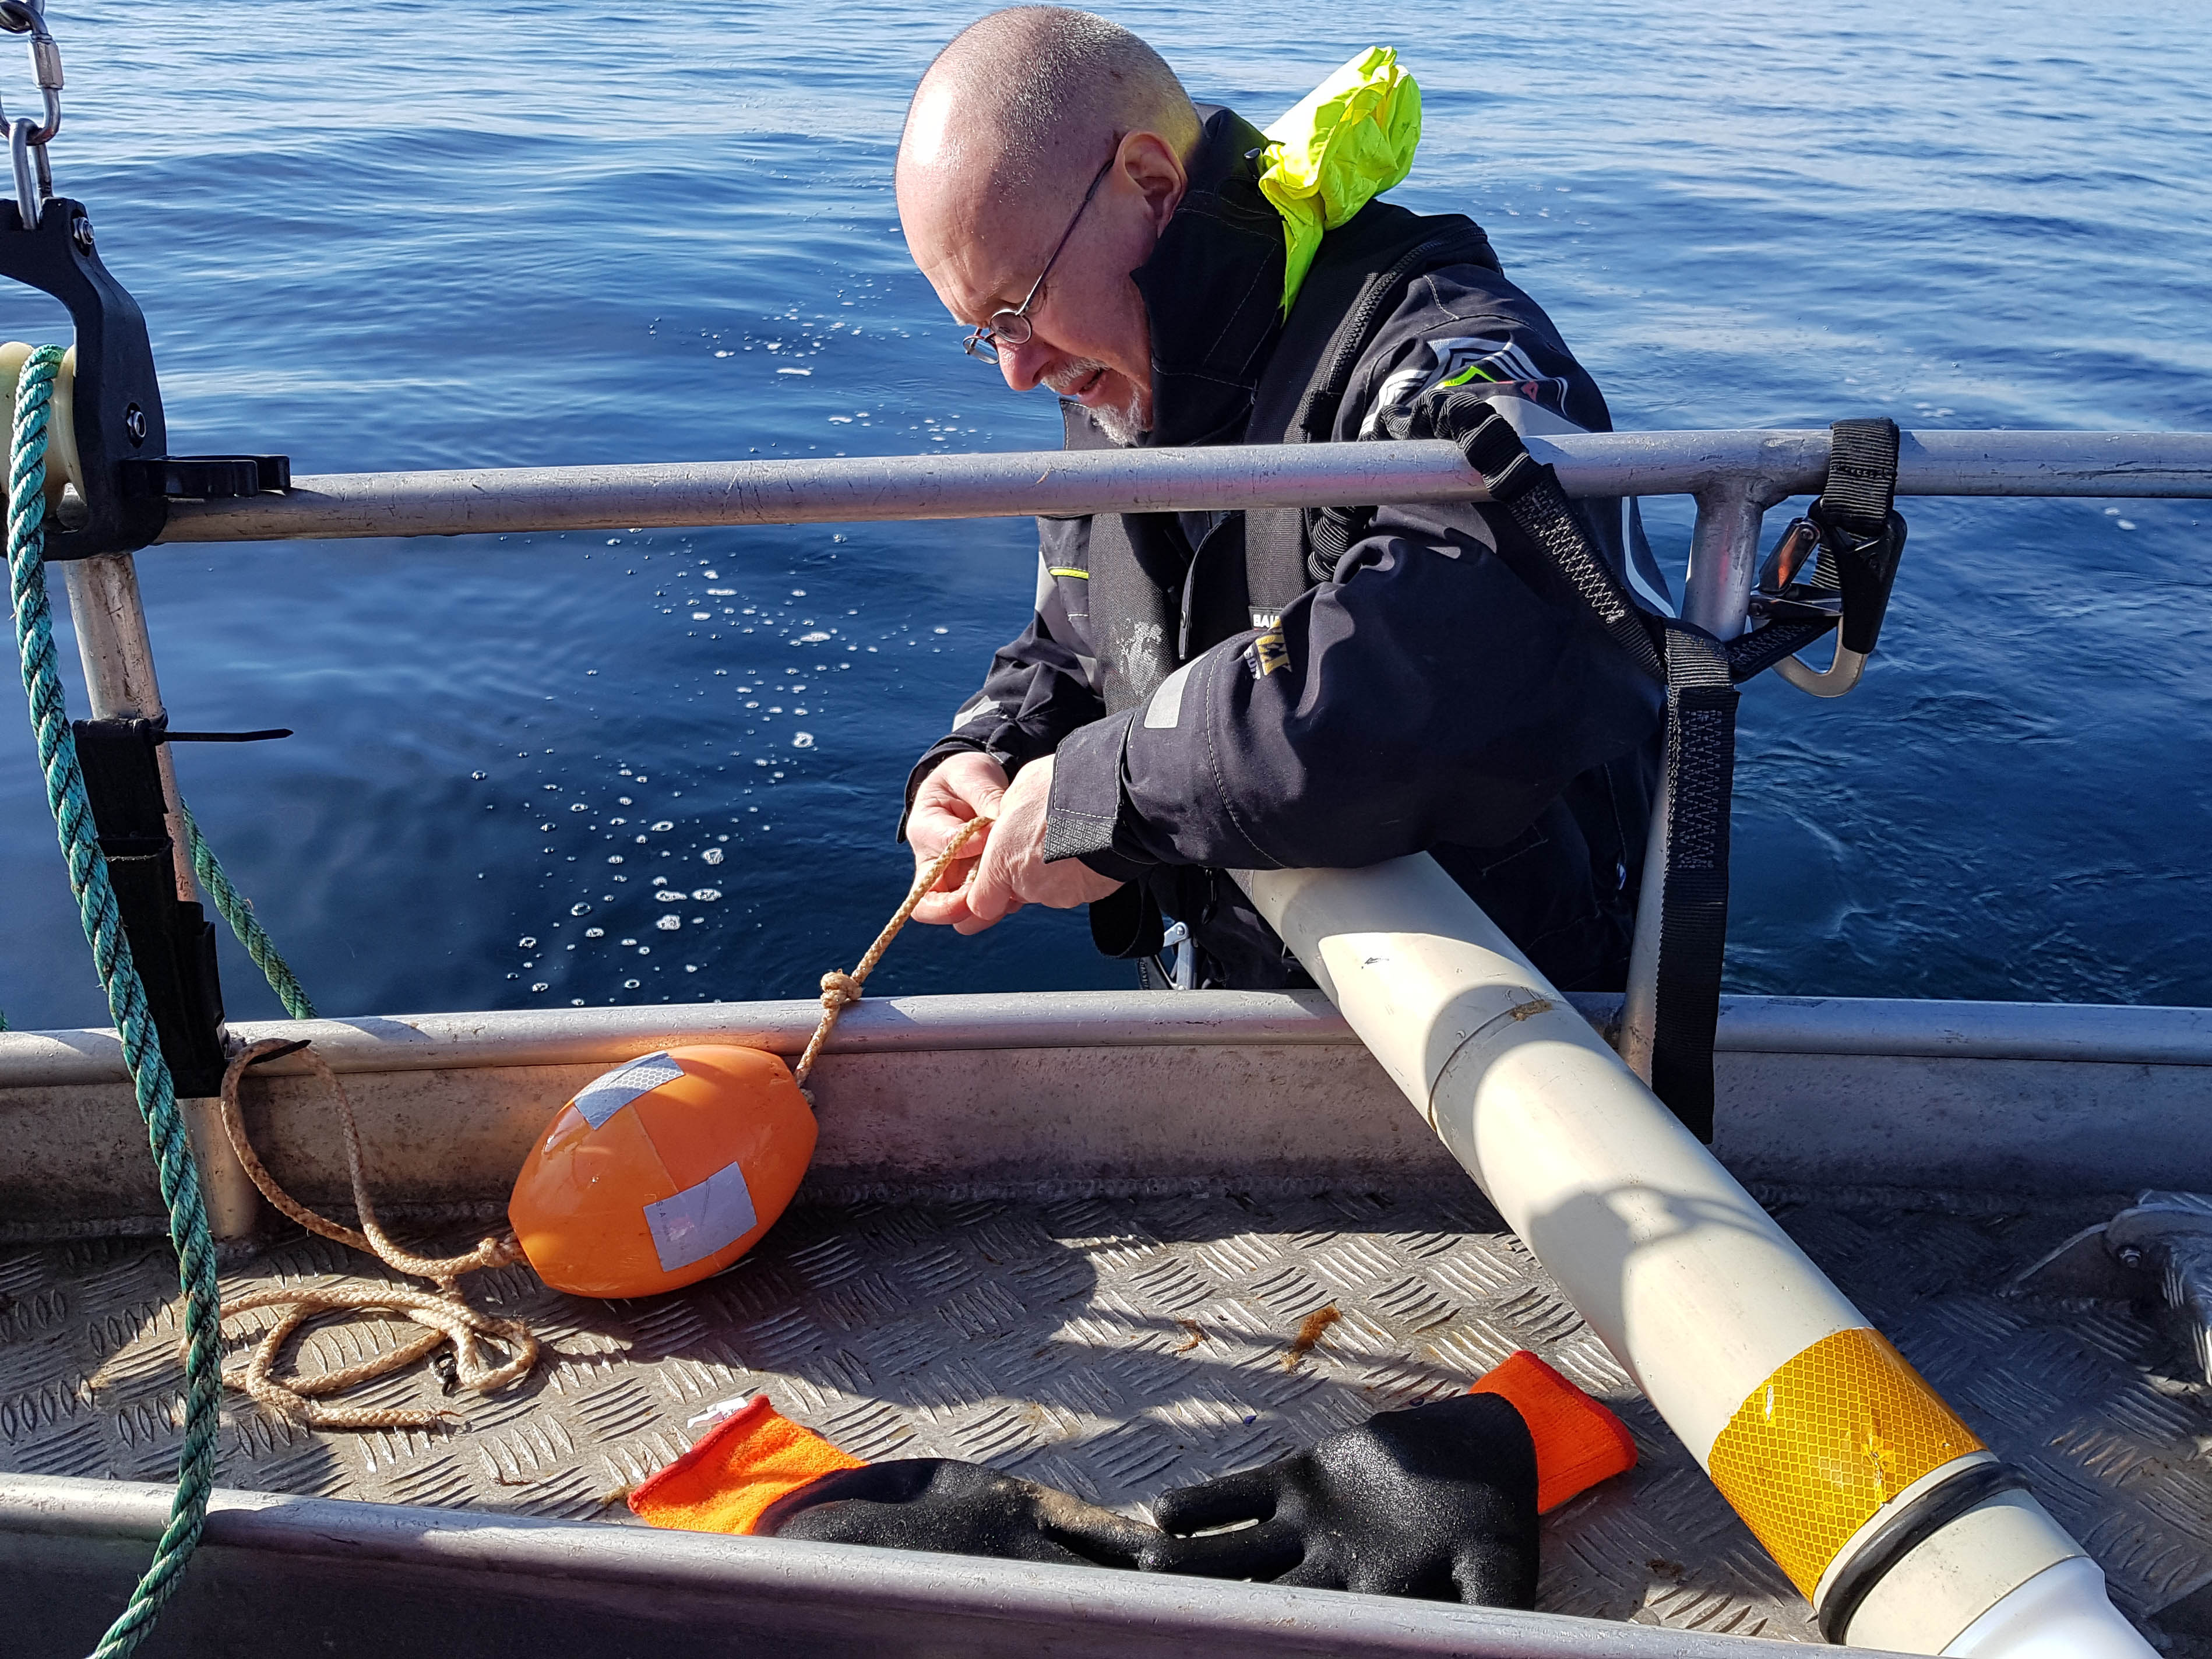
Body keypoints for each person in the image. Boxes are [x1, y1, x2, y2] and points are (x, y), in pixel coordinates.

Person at [894, 6, 1669, 992]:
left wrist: (1109, 797)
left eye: (1019, 306)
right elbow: (1080, 641)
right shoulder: (1113, 372)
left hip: (1519, 1022)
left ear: (1150, 185)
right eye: (982, 332)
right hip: (1229, 992)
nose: (1017, 369)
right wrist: (986, 754)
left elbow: (1481, 635)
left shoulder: (1438, 342)